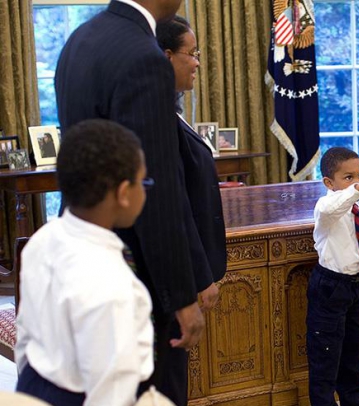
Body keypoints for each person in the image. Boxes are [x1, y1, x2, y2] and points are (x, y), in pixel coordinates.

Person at [54, 0, 205, 399]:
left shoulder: (79, 40)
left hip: (81, 251)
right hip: (136, 270)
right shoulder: (144, 56)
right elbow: (156, 186)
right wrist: (181, 296)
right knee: (153, 390)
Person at [15, 119, 154, 405]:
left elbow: (25, 337)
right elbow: (111, 394)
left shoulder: (42, 240)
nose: (145, 190)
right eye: (144, 182)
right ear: (123, 193)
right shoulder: (113, 285)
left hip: (34, 384)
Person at [156, 15, 226, 405]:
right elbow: (176, 207)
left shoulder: (173, 110)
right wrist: (199, 277)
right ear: (167, 57)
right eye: (192, 53)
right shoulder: (158, 119)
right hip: (176, 279)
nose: (198, 62)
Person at [308, 147, 359, 406]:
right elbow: (334, 207)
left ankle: (355, 399)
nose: (358, 182)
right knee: (325, 354)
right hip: (330, 287)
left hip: (356, 286)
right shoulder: (325, 208)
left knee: (354, 351)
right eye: (348, 177)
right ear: (328, 182)